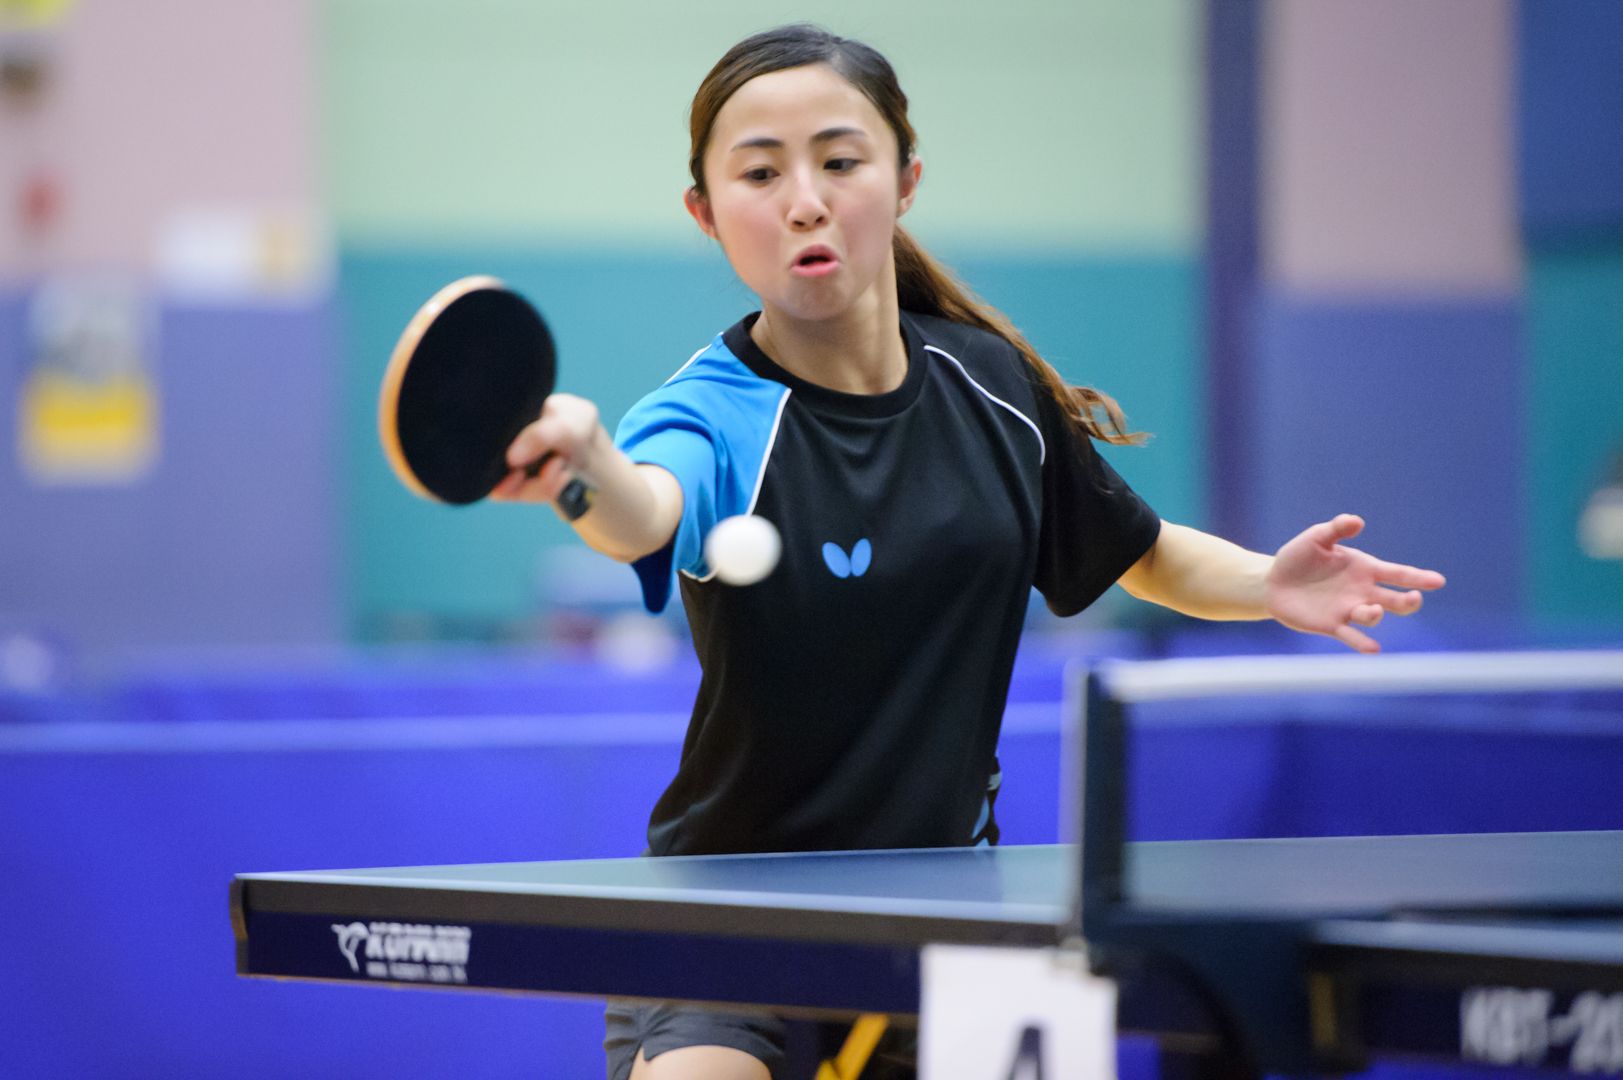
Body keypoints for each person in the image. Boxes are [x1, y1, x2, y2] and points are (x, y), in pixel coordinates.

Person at [492, 24, 1445, 1080]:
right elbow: (643, 508)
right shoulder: (711, 414)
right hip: (728, 911)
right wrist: (584, 468)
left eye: (840, 161)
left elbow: (1138, 551)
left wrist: (1267, 583)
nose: (804, 200)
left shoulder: (991, 388)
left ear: (905, 180)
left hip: (950, 913)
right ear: (706, 214)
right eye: (759, 174)